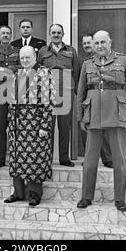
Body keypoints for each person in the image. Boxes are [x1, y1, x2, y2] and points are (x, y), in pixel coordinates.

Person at [76, 30, 126, 212]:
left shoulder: (124, 61)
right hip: (93, 114)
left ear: (110, 42)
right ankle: (86, 196)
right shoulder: (88, 63)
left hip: (117, 114)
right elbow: (81, 91)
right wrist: (81, 116)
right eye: (96, 43)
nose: (100, 46)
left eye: (103, 42)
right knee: (89, 160)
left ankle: (120, 199)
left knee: (119, 160)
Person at [4, 46, 55, 206]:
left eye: (28, 57)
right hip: (18, 123)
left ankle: (34, 193)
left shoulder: (44, 74)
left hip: (35, 123)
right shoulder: (17, 74)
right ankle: (18, 192)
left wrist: (44, 126)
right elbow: (11, 101)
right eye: (22, 58)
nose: (25, 60)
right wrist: (10, 123)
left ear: (35, 57)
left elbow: (49, 102)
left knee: (35, 159)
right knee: (17, 158)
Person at [37, 23, 80, 167]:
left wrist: (76, 92)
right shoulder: (43, 51)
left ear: (63, 34)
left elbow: (76, 72)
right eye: (53, 32)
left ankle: (64, 158)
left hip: (65, 94)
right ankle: (46, 158)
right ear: (50, 34)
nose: (56, 35)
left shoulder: (71, 51)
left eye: (58, 32)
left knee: (64, 127)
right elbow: (37, 72)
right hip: (47, 94)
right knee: (46, 126)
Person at [0, 25, 20, 168]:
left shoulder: (18, 52)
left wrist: (4, 70)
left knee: (17, 127)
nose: (6, 35)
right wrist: (10, 71)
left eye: (8, 33)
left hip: (16, 93)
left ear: (11, 35)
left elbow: (22, 67)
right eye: (3, 33)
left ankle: (17, 158)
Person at [79, 34, 113, 168]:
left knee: (102, 128)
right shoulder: (82, 60)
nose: (87, 45)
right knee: (86, 129)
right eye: (84, 43)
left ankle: (108, 158)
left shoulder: (102, 57)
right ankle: (89, 158)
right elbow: (79, 78)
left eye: (89, 43)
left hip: (102, 96)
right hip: (87, 96)